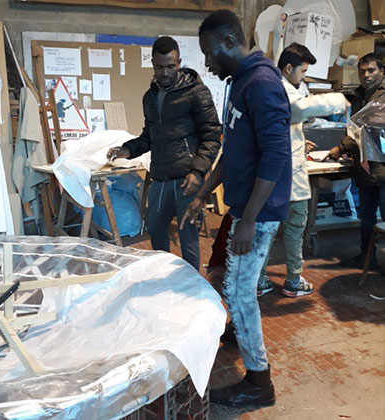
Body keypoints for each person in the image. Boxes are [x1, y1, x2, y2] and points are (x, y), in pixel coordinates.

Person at [181, 10, 292, 408]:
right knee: (234, 284)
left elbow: (276, 155)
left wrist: (249, 220)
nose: (207, 64)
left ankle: (259, 382)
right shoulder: (240, 82)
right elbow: (232, 151)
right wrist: (202, 195)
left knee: (240, 292)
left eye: (209, 53)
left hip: (259, 212)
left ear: (229, 42)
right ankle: (238, 333)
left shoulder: (262, 83)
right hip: (246, 207)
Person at [107, 36, 221, 271]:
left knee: (188, 237)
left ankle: (191, 288)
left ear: (179, 62)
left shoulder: (196, 92)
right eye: (160, 67)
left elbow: (212, 136)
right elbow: (150, 135)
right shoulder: (149, 97)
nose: (166, 73)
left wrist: (198, 171)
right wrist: (128, 149)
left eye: (171, 66)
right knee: (156, 228)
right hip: (160, 177)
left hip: (188, 179)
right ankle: (165, 278)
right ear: (153, 64)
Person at [258, 43, 350, 298]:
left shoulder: (268, 87)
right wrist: (337, 100)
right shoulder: (285, 90)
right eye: (303, 71)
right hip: (288, 177)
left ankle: (260, 279)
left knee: (267, 231)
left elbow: (283, 125)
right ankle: (293, 281)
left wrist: (298, 140)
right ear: (288, 68)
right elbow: (299, 110)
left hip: (274, 174)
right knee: (294, 228)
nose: (304, 77)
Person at [326, 53, 385, 270]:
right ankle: (367, 258)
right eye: (362, 71)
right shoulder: (359, 96)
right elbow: (355, 128)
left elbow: (368, 127)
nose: (366, 75)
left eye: (371, 70)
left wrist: (340, 148)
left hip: (383, 168)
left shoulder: (382, 97)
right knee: (367, 217)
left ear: (382, 71)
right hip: (367, 168)